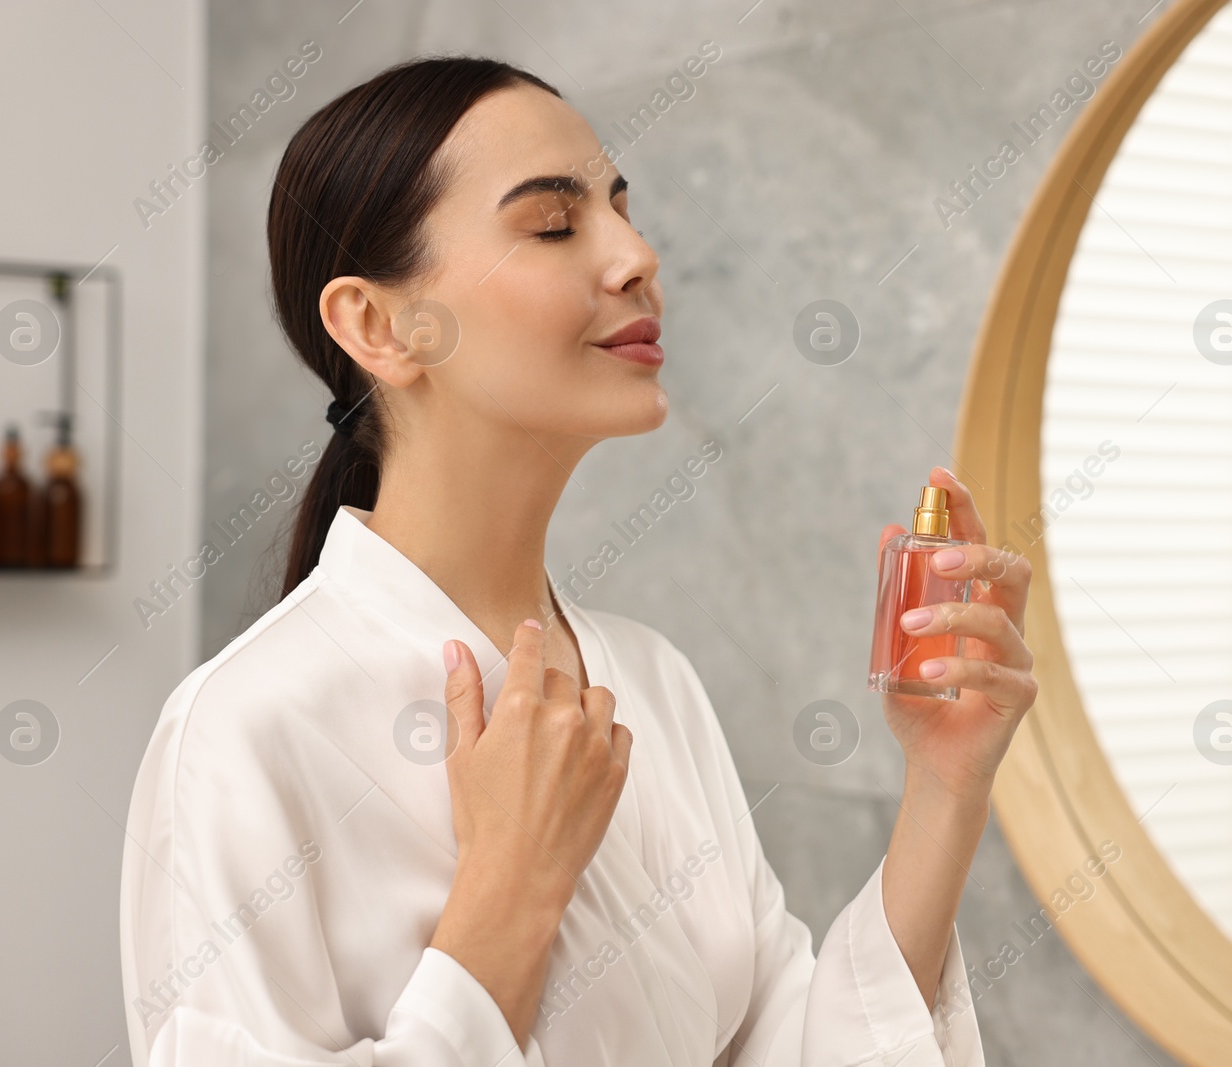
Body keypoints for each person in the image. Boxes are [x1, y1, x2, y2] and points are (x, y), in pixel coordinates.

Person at [119, 53, 1037, 1067]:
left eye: (619, 208)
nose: (636, 255)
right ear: (380, 324)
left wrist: (944, 787)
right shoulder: (248, 727)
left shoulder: (651, 682)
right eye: (553, 224)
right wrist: (509, 890)